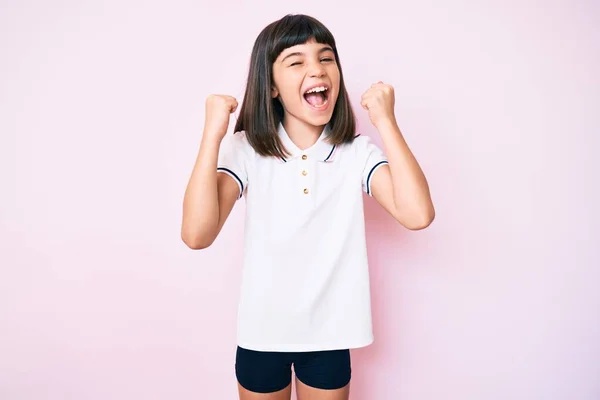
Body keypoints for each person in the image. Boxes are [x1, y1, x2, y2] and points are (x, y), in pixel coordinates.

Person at [181, 13, 435, 400]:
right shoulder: (246, 149)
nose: (316, 69)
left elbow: (418, 215)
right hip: (262, 335)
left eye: (326, 58)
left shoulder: (355, 152)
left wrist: (386, 120)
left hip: (330, 336)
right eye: (296, 61)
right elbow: (197, 234)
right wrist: (212, 134)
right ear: (272, 88)